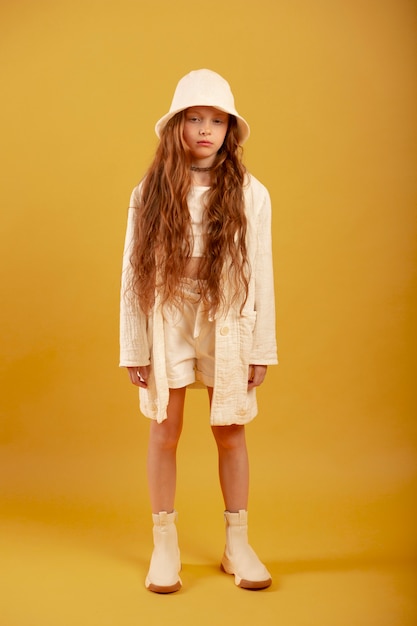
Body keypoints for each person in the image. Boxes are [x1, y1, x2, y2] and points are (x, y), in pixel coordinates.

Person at [120, 69, 278, 593]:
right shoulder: (149, 192)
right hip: (167, 316)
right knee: (165, 430)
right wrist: (134, 347)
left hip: (226, 318)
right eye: (195, 118)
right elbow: (131, 273)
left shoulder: (252, 194)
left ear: (229, 129)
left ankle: (238, 543)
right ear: (177, 127)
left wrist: (262, 348)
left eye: (216, 120)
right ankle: (165, 544)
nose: (205, 129)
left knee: (230, 430)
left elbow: (262, 270)